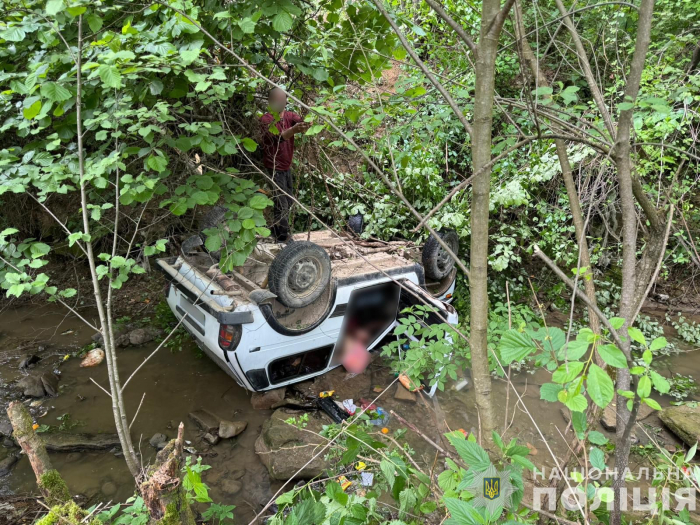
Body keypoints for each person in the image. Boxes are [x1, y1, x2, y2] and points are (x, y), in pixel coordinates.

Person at [260, 87, 310, 241]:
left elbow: (302, 122)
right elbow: (279, 137)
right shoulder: (266, 119)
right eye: (277, 99)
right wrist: (294, 130)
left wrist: (306, 120)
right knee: (281, 202)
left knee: (287, 201)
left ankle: (276, 231)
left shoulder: (289, 116)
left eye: (283, 99)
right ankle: (283, 237)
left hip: (286, 167)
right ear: (270, 101)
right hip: (274, 167)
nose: (280, 102)